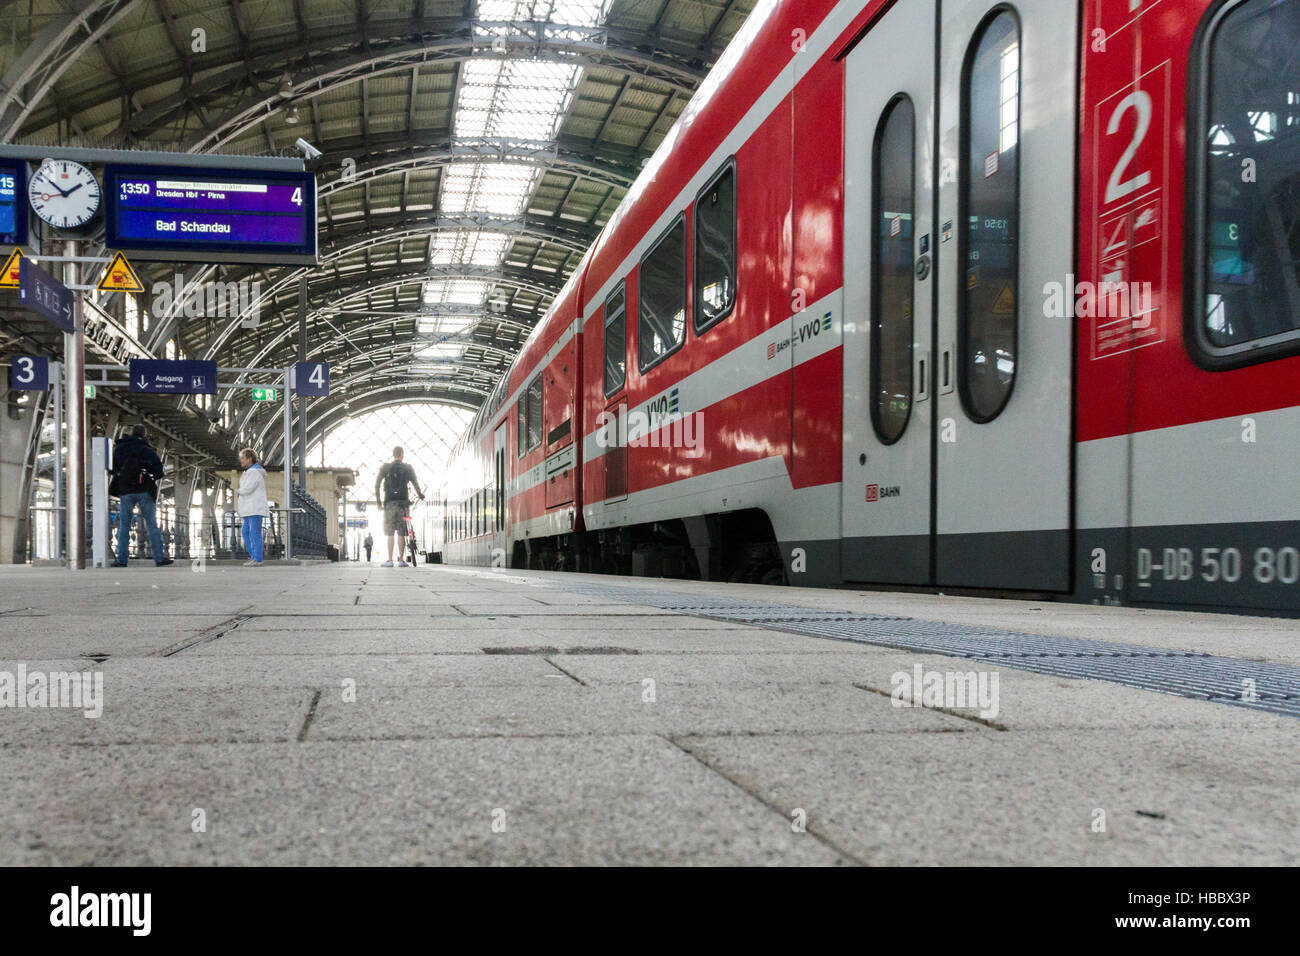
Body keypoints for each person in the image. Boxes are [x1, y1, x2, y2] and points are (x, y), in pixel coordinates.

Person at [110, 424, 173, 567]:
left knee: (124, 525)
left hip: (126, 491)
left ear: (131, 433)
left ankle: (122, 560)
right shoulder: (147, 450)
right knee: (151, 524)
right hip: (145, 491)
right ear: (145, 435)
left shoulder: (120, 448)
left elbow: (112, 469)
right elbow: (158, 472)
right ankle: (159, 558)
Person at [374, 446, 424, 567]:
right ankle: (401, 560)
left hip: (389, 504)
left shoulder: (385, 468)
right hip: (403, 505)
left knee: (390, 533)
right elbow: (415, 483)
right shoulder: (407, 468)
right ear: (402, 454)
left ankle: (390, 560)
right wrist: (420, 494)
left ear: (393, 454)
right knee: (401, 532)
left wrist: (379, 503)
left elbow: (377, 484)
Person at [236, 448, 269, 567]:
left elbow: (249, 488)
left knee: (254, 533)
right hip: (249, 509)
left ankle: (258, 559)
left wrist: (238, 491)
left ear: (249, 459)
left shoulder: (254, 472)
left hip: (254, 508)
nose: (241, 460)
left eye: (243, 458)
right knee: (246, 532)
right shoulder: (249, 472)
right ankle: (254, 556)